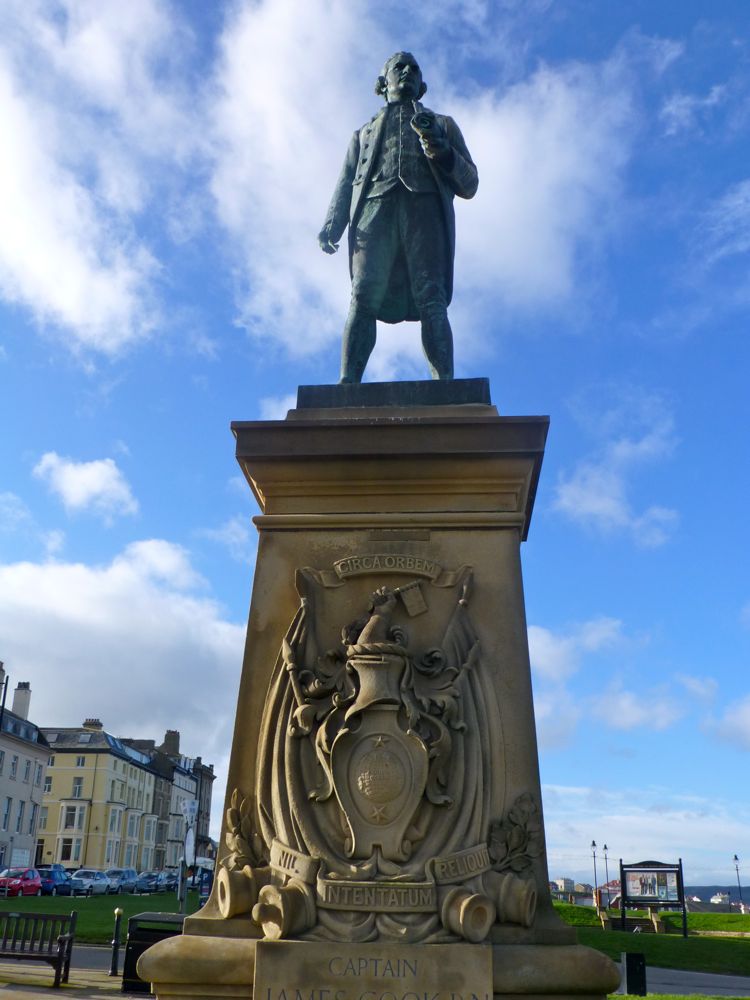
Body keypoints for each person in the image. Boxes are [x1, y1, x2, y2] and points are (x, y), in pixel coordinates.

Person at [318, 52, 478, 383]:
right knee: (363, 296)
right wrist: (332, 225)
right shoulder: (362, 134)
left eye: (414, 69)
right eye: (398, 67)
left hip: (425, 212)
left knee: (431, 297)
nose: (406, 72)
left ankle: (444, 384)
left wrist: (440, 147)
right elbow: (346, 182)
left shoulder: (443, 125)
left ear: (422, 86)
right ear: (383, 83)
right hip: (373, 213)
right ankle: (348, 382)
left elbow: (469, 183)